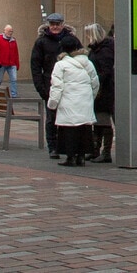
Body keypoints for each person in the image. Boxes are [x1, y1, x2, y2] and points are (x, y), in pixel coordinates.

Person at [30, 14, 80, 158]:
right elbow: (35, 66)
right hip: (49, 85)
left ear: (63, 24)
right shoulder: (41, 42)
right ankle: (52, 147)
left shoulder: (72, 40)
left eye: (57, 24)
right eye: (52, 24)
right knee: (51, 118)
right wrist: (41, 88)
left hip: (70, 85)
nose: (55, 27)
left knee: (68, 118)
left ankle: (65, 146)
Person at [46, 37, 99, 167]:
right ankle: (81, 157)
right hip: (85, 101)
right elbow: (95, 83)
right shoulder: (88, 63)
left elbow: (57, 86)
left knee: (68, 130)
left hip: (68, 102)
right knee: (84, 129)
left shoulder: (61, 65)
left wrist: (52, 103)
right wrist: (90, 97)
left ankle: (71, 157)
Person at [86, 23, 116, 163]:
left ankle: (105, 152)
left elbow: (105, 71)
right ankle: (95, 150)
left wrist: (96, 83)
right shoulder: (97, 49)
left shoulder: (103, 50)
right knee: (97, 121)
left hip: (104, 90)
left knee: (103, 121)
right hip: (99, 88)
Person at [0, 23, 21, 95]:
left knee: (13, 79)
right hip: (2, 63)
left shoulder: (13, 40)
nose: (10, 33)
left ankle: (14, 94)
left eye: (11, 31)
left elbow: (16, 53)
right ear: (4, 31)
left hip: (12, 64)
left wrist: (17, 64)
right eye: (9, 31)